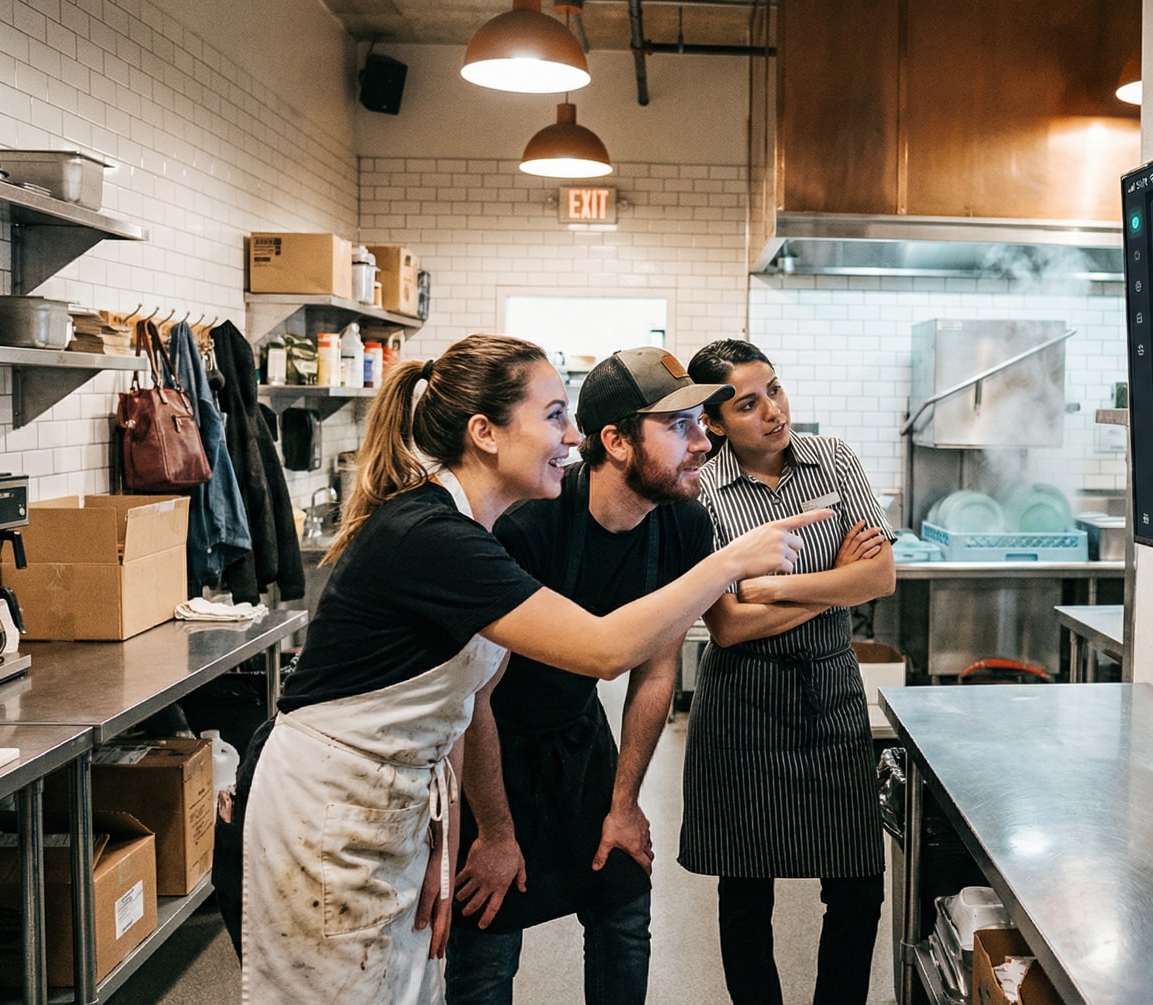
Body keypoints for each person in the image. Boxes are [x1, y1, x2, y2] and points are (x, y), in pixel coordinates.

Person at [239, 334, 829, 1005]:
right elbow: (603, 649)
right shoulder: (442, 539)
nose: (572, 437)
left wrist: (441, 836)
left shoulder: (462, 527)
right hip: (326, 810)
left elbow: (462, 705)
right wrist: (727, 563)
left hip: (387, 796)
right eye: (554, 415)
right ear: (485, 433)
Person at [445, 347, 732, 1005]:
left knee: (624, 907)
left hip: (580, 736)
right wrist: (493, 832)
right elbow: (473, 697)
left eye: (701, 422)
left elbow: (657, 667)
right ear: (616, 441)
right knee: (487, 940)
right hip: (491, 748)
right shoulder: (530, 526)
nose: (703, 441)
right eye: (680, 426)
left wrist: (624, 801)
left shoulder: (683, 524)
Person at [678, 340, 896, 1005]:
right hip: (744, 695)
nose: (773, 411)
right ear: (713, 422)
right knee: (744, 887)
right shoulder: (703, 489)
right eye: (747, 403)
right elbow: (729, 625)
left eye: (773, 389)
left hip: (830, 689)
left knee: (859, 880)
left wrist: (774, 589)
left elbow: (881, 576)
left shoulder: (834, 460)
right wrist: (837, 583)